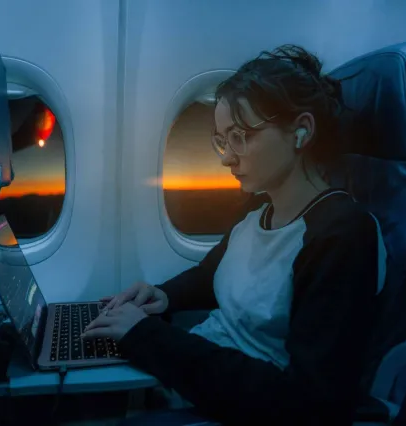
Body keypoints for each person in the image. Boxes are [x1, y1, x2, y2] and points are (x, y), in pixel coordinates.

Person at [81, 44, 386, 426]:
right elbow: (213, 276)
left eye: (241, 136)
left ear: (301, 131)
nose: (226, 157)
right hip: (198, 379)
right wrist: (163, 296)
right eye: (223, 140)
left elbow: (307, 404)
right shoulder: (259, 210)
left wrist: (147, 338)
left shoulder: (342, 236)